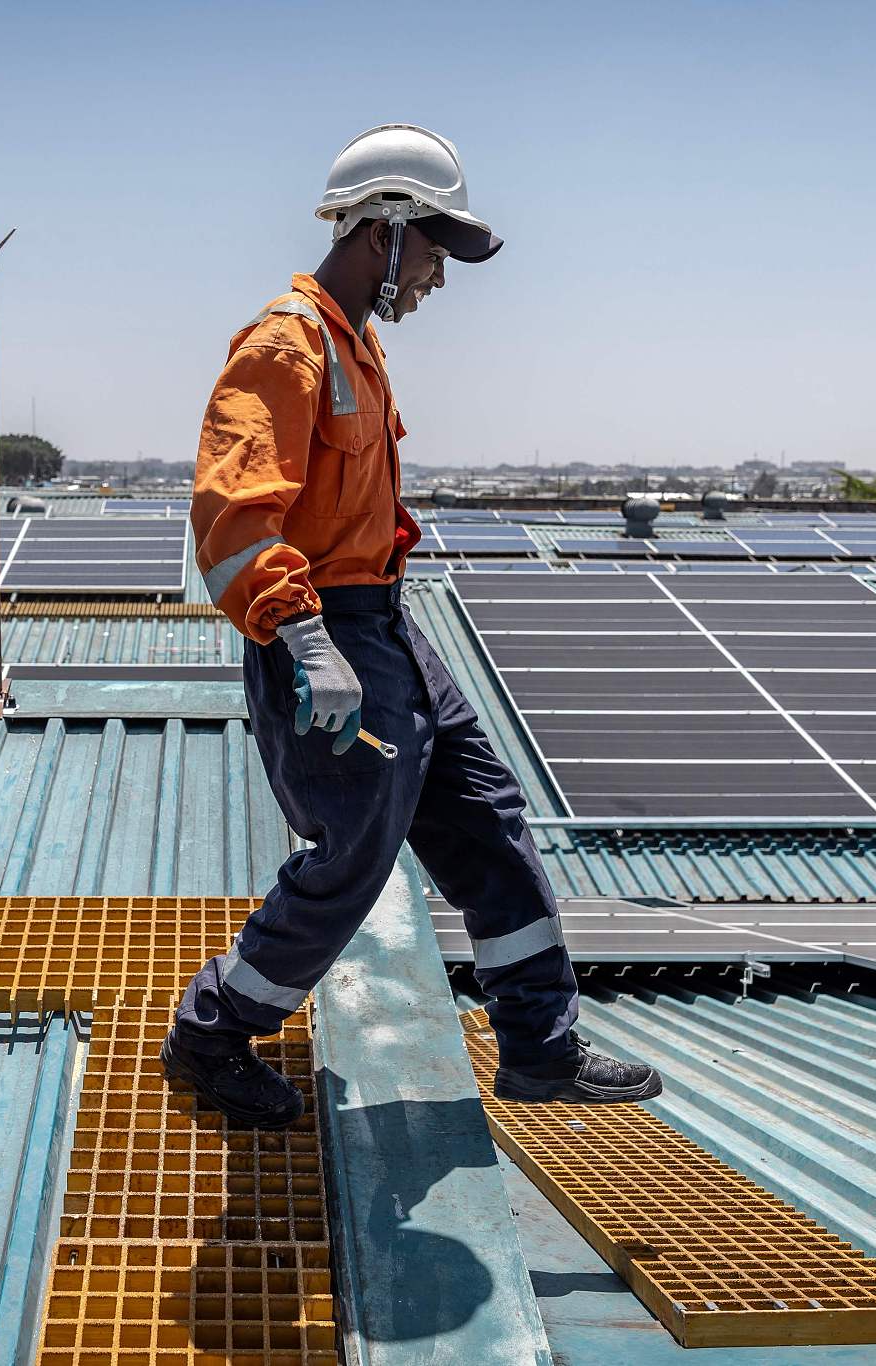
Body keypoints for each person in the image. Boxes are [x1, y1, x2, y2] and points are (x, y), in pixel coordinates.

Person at [161, 124, 661, 1128]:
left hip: (385, 624)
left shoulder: (356, 344)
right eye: (432, 252)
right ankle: (210, 1033)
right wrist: (304, 641)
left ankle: (537, 1044)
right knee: (352, 851)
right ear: (383, 230)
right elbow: (229, 519)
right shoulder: (283, 346)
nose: (435, 278)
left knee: (483, 811)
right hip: (323, 628)